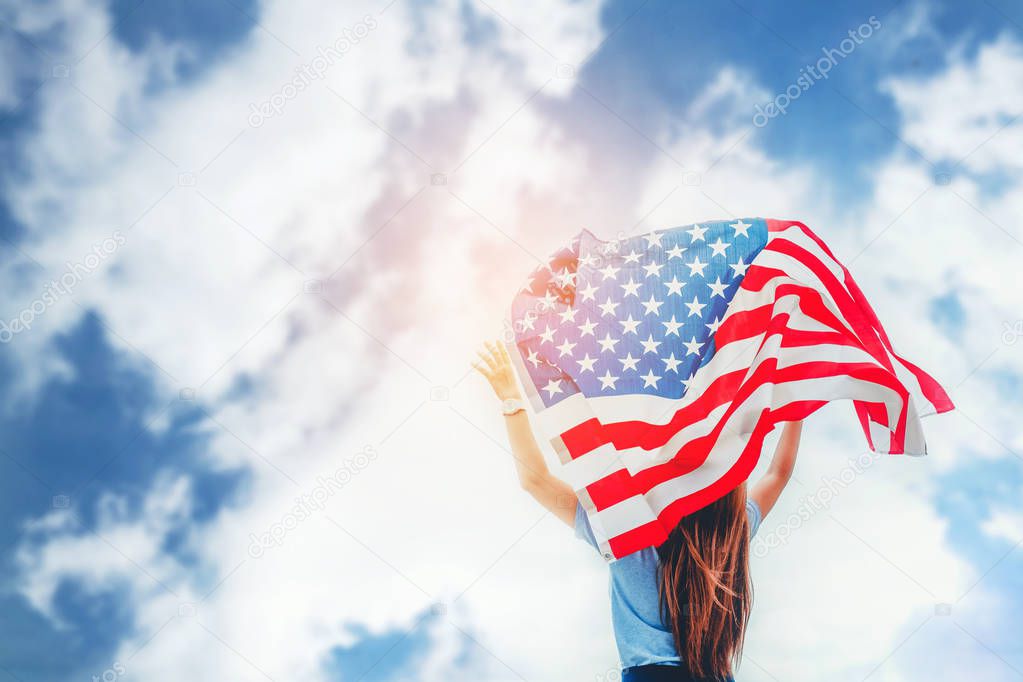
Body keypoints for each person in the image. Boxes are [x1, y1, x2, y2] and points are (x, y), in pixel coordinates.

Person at [473, 341, 803, 682]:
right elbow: (779, 472)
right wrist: (799, 393)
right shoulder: (730, 528)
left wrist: (511, 399)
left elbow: (535, 480)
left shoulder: (627, 526)